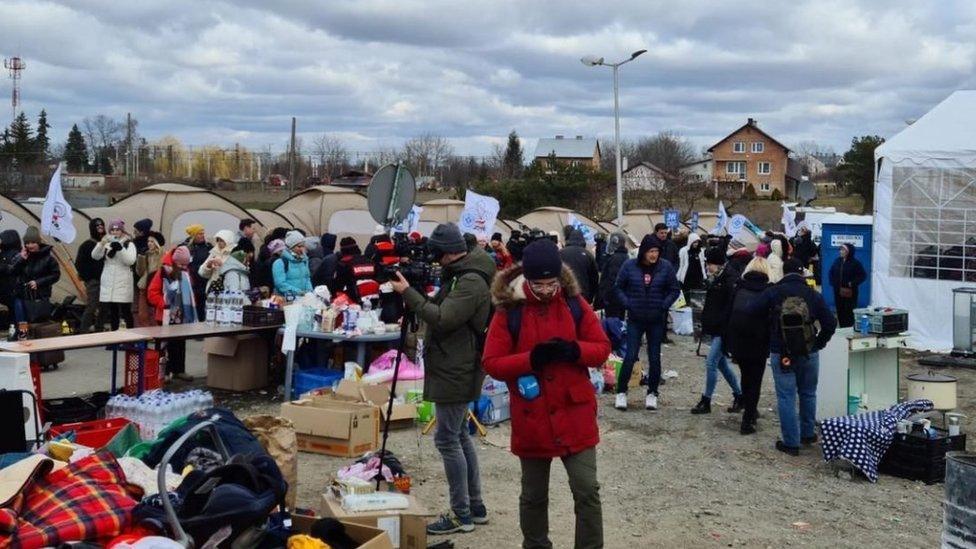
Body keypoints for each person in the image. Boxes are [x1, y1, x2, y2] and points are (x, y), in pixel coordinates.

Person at [483, 238, 611, 549]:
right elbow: (491, 362)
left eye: (551, 283)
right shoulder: (509, 310)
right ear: (527, 280)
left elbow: (602, 348)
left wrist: (574, 350)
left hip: (574, 411)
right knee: (533, 494)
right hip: (533, 416)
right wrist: (530, 359)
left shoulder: (572, 303)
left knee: (587, 490)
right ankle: (536, 544)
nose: (546, 290)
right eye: (538, 284)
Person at [389, 222, 493, 536]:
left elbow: (444, 318)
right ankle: (475, 507)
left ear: (446, 254)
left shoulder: (471, 280)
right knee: (460, 435)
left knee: (448, 439)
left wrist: (408, 293)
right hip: (454, 364)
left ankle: (462, 514)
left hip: (456, 368)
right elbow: (440, 308)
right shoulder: (462, 274)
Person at [748, 258, 837, 455]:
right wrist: (818, 343)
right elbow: (830, 322)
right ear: (802, 273)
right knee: (808, 393)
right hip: (809, 351)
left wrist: (768, 332)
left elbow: (752, 310)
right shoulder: (812, 294)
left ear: (783, 272)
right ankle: (807, 434)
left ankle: (791, 442)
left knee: (786, 396)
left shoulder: (773, 292)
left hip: (782, 352)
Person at [613, 235, 681, 411]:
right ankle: (621, 392)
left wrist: (664, 306)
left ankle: (652, 393)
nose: (654, 255)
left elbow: (675, 289)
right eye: (651, 251)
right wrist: (628, 303)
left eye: (657, 251)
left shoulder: (665, 267)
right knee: (630, 356)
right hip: (635, 319)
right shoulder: (629, 266)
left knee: (654, 357)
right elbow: (618, 287)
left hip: (656, 320)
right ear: (643, 251)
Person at [691, 246, 743, 415]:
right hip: (716, 328)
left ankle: (706, 400)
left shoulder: (729, 280)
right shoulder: (720, 277)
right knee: (721, 365)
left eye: (709, 264)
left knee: (711, 362)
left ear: (718, 263)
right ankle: (739, 395)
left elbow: (729, 306)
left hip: (723, 329)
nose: (707, 267)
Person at [725, 257, 772, 434]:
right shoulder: (769, 291)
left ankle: (749, 410)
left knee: (746, 376)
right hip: (759, 341)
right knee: (756, 379)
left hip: (739, 339)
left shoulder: (739, 288)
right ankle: (749, 418)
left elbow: (728, 313)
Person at [147, 246, 196, 381]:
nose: (183, 267)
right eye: (181, 264)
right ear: (175, 261)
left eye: (186, 264)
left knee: (180, 344)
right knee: (164, 345)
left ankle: (179, 370)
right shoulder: (163, 272)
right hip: (166, 315)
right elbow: (152, 292)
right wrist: (165, 305)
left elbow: (189, 290)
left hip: (181, 315)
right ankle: (165, 372)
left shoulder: (185, 271)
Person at [91, 219, 137, 331]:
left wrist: (121, 249)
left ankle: (130, 336)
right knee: (112, 311)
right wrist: (101, 244)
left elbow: (130, 261)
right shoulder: (107, 244)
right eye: (112, 230)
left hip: (123, 282)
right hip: (108, 281)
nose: (115, 232)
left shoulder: (129, 244)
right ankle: (113, 336)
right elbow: (95, 256)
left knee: (125, 310)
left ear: (122, 231)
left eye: (117, 230)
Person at [10, 227, 60, 323]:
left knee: (38, 326)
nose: (30, 245)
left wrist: (38, 282)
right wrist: (21, 259)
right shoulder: (21, 256)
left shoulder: (48, 259)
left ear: (38, 242)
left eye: (33, 242)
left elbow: (55, 275)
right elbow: (12, 272)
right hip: (22, 296)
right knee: (22, 325)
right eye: (27, 243)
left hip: (40, 297)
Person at [74, 218, 106, 332]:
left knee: (104, 307)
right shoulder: (86, 245)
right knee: (92, 305)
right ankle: (83, 330)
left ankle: (99, 328)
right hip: (93, 281)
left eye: (102, 226)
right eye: (97, 227)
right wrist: (89, 277)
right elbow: (79, 264)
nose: (100, 229)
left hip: (106, 280)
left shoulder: (107, 244)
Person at [829, 243, 866, 328]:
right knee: (840, 310)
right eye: (840, 250)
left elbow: (863, 275)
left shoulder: (855, 263)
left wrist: (852, 283)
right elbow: (831, 271)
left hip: (850, 292)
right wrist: (833, 282)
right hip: (838, 290)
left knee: (849, 311)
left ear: (849, 252)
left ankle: (849, 328)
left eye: (843, 250)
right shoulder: (837, 261)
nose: (841, 252)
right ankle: (842, 327)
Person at [559, 229, 599, 303]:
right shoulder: (588, 255)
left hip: (564, 293)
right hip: (583, 294)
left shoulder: (560, 253)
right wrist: (591, 297)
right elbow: (594, 278)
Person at [595, 232, 629, 319]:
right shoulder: (623, 256)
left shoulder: (615, 258)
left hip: (613, 299)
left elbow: (612, 280)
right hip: (619, 298)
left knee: (613, 323)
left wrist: (605, 297)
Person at [184, 224, 212, 319]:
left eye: (203, 233)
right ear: (193, 235)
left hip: (205, 282)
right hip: (191, 283)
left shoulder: (208, 247)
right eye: (199, 234)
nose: (202, 235)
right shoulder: (186, 248)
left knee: (204, 309)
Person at [136, 232, 164, 326]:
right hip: (144, 286)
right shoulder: (146, 254)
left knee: (155, 314)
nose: (149, 243)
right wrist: (141, 257)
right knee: (142, 314)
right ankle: (145, 336)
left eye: (152, 241)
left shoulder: (163, 254)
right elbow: (140, 272)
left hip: (157, 288)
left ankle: (156, 336)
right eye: (148, 241)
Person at [273, 231, 313, 298]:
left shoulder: (304, 261)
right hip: (286, 300)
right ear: (291, 247)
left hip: (303, 299)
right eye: (299, 246)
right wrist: (299, 292)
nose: (302, 249)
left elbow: (307, 278)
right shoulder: (280, 263)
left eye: (303, 246)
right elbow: (280, 284)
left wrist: (310, 292)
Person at [0, 230, 23, 330]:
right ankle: (17, 330)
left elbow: (11, 269)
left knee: (15, 310)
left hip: (8, 288)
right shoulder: (18, 253)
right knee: (16, 311)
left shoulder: (9, 254)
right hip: (12, 288)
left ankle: (15, 330)